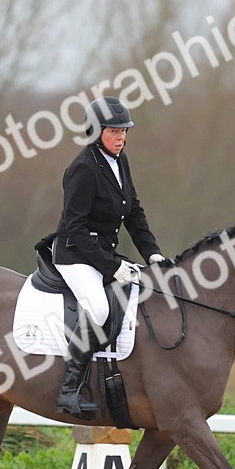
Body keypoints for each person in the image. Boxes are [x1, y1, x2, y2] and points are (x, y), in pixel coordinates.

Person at [52, 96, 168, 419]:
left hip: (101, 253)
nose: (121, 138)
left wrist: (153, 253)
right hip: (74, 255)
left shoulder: (120, 161)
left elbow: (134, 213)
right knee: (100, 308)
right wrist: (112, 266)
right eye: (114, 131)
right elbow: (74, 228)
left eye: (124, 131)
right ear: (95, 131)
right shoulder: (82, 169)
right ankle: (68, 389)